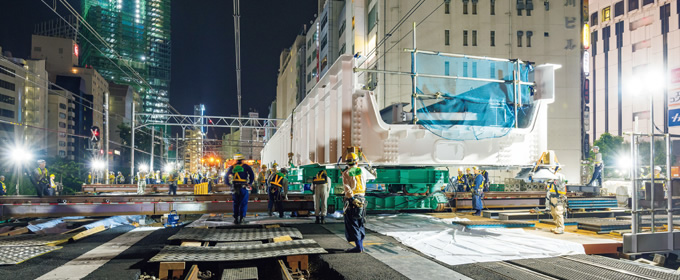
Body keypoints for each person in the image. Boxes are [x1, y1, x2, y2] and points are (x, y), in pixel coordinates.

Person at [342, 152, 367, 253]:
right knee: (360, 222)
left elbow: (347, 189)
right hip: (362, 199)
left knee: (353, 223)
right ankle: (360, 246)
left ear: (347, 162)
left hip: (353, 200)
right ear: (357, 161)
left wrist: (352, 199)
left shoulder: (346, 173)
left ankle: (358, 247)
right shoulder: (363, 171)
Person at [226, 154, 255, 224]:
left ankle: (236, 218)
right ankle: (242, 217)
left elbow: (226, 177)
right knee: (243, 203)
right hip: (243, 187)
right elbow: (252, 175)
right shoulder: (246, 166)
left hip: (235, 187)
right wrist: (250, 183)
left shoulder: (232, 167)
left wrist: (229, 185)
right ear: (242, 160)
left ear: (236, 160)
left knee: (236, 203)